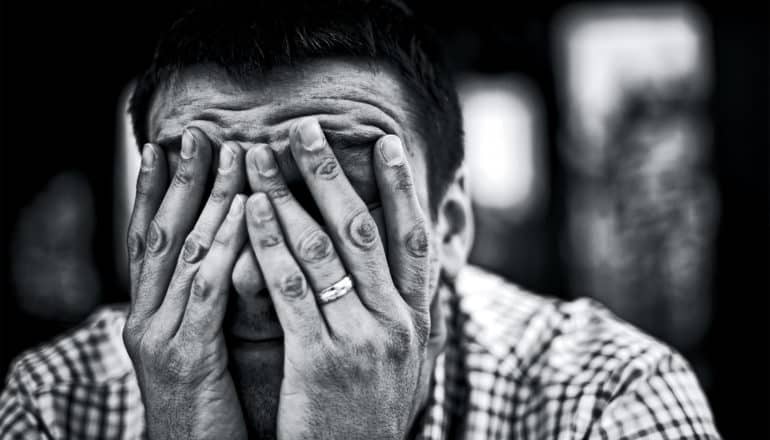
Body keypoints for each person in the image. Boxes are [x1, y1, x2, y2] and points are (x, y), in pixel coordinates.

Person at [0, 1, 720, 438]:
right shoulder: (57, 401)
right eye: (205, 203)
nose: (252, 274)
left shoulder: (605, 398)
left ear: (449, 226)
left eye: (337, 195)